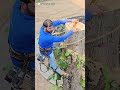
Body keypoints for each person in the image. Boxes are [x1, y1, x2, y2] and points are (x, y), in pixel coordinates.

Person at [8, 0, 35, 70]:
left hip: (15, 54)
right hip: (27, 62)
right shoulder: (31, 28)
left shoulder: (17, 4)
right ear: (24, 5)